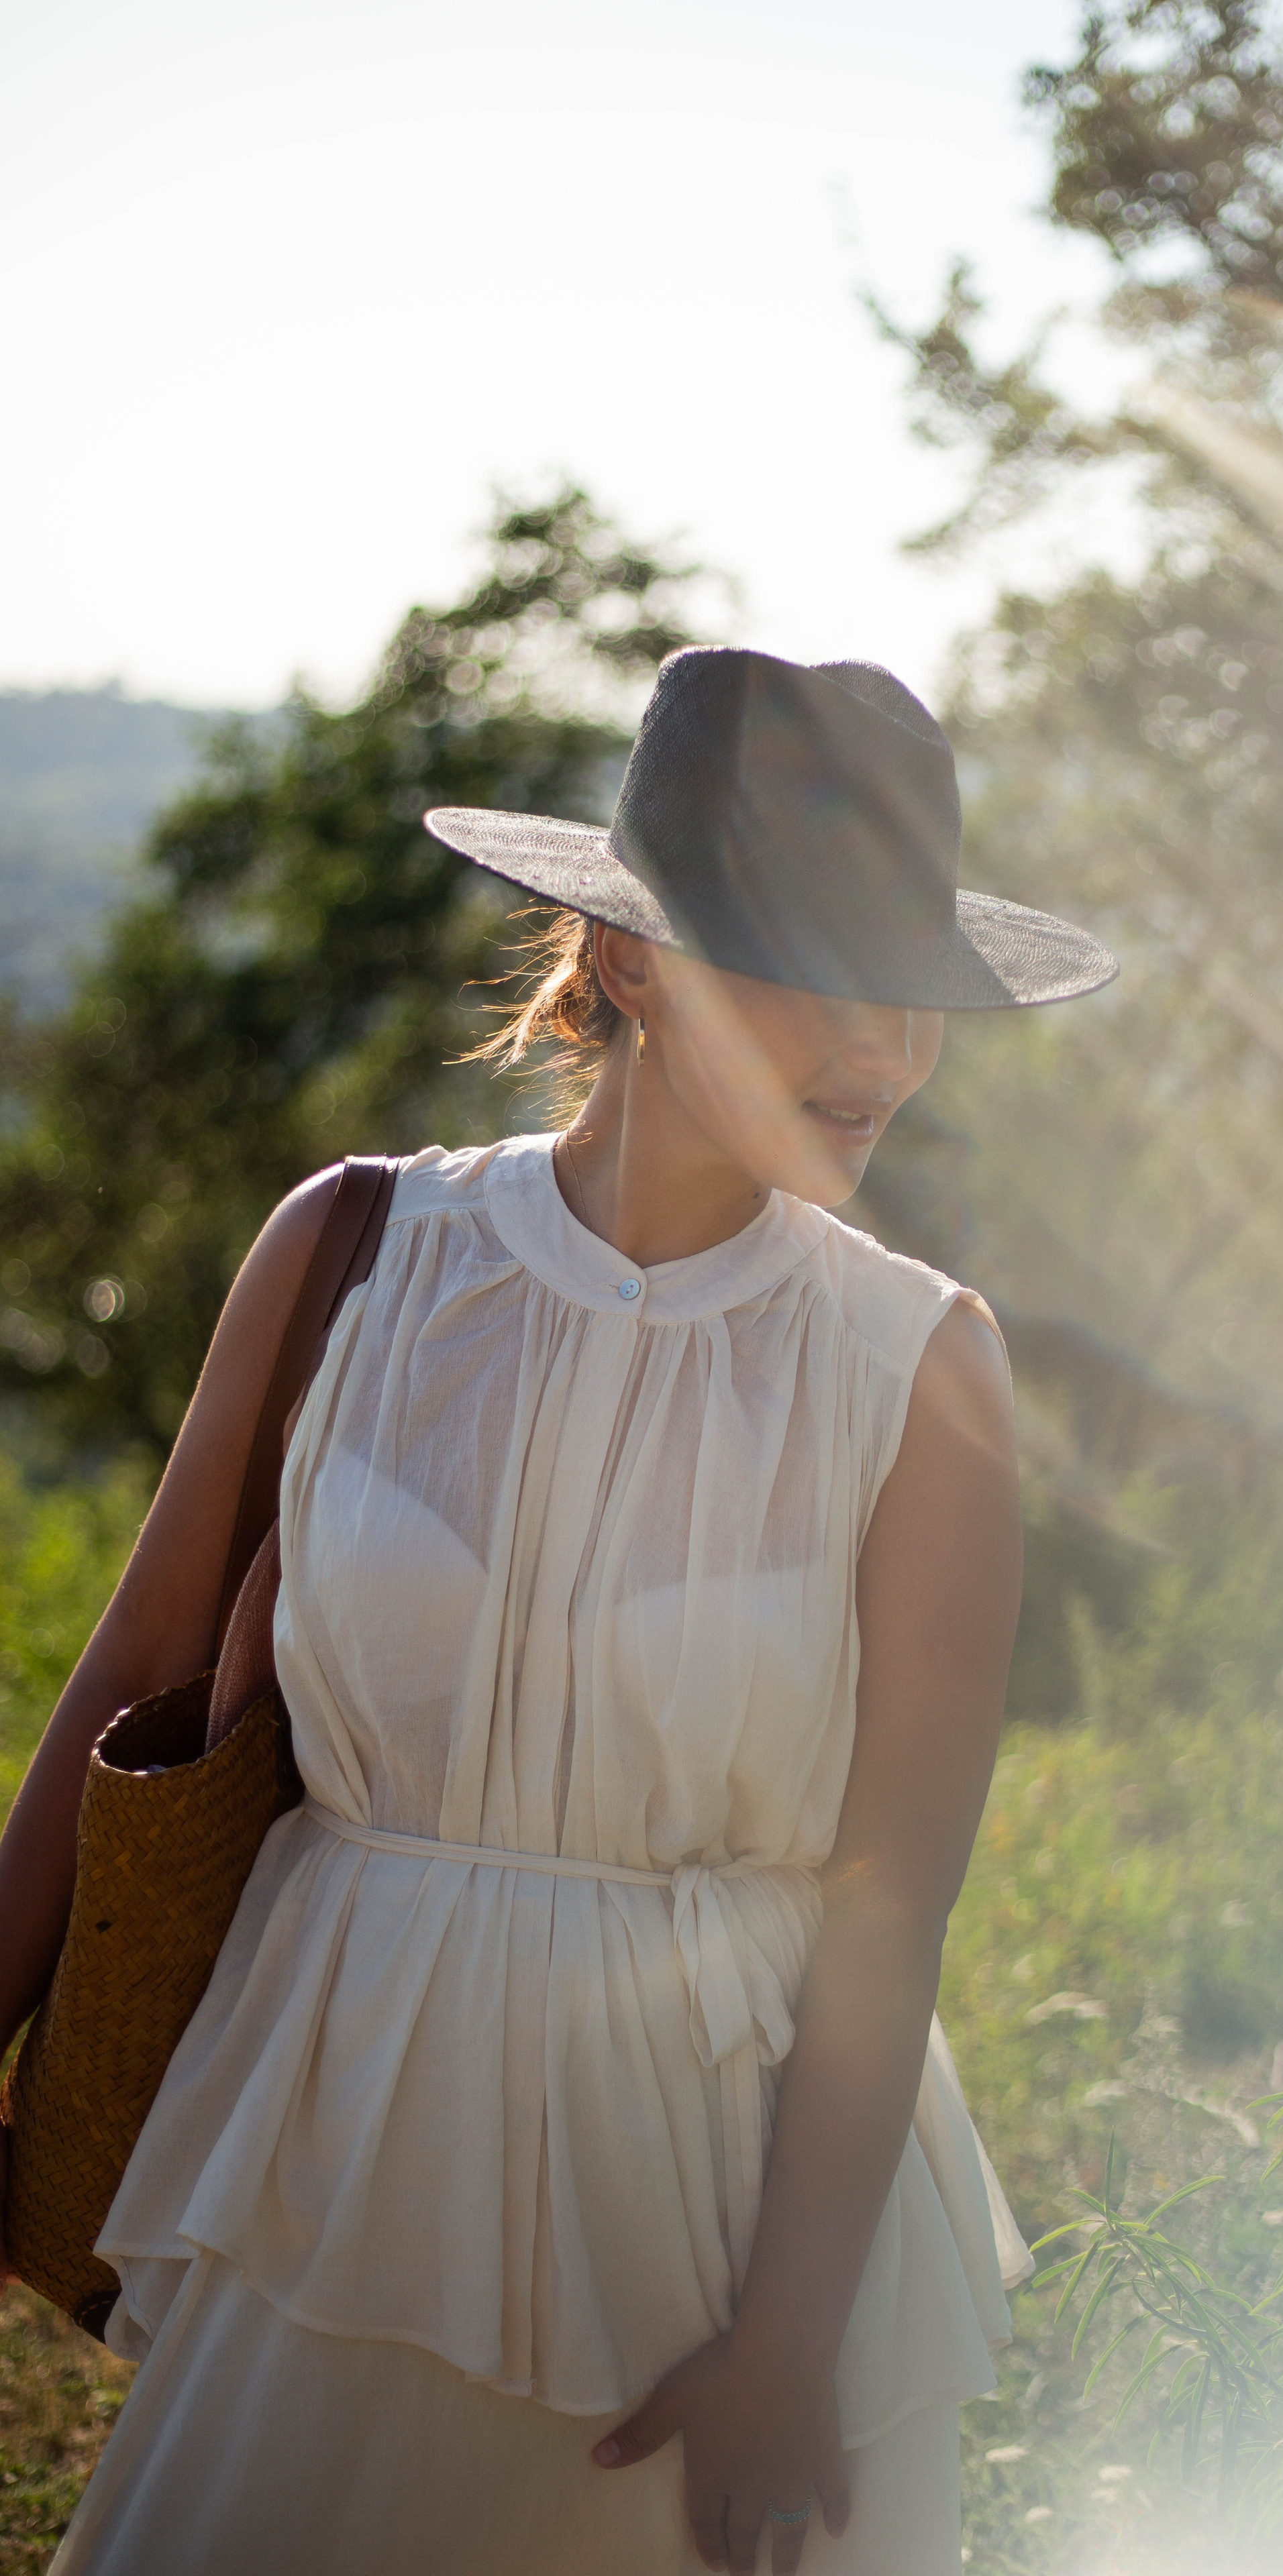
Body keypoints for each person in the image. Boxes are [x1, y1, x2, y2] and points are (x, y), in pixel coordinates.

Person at [6, 649, 1115, 2575]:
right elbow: (134, 1673)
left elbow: (892, 1897)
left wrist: (786, 2338)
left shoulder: (920, 1364)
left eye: (911, 989)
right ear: (623, 966)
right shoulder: (357, 1249)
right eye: (814, 977)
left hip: (703, 2232)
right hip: (345, 2146)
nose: (888, 1053)